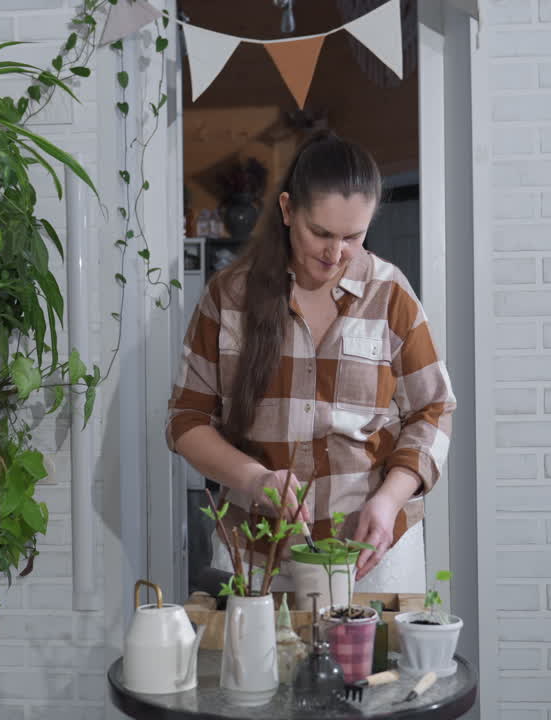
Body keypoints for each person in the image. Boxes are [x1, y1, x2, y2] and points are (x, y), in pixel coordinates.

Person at [166, 132, 455, 588]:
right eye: (319, 233)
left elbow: (433, 411)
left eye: (353, 237)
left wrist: (389, 501)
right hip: (257, 553)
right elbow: (186, 421)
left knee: (379, 663)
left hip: (371, 554)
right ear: (286, 210)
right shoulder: (230, 296)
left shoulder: (391, 294)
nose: (334, 253)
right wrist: (256, 479)